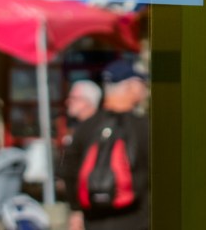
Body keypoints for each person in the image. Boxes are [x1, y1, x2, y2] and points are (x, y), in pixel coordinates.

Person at [63, 60, 149, 230]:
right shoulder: (145, 128)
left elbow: (68, 170)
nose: (145, 90)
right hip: (137, 219)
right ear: (130, 87)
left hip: (94, 220)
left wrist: (76, 210)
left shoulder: (86, 127)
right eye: (142, 84)